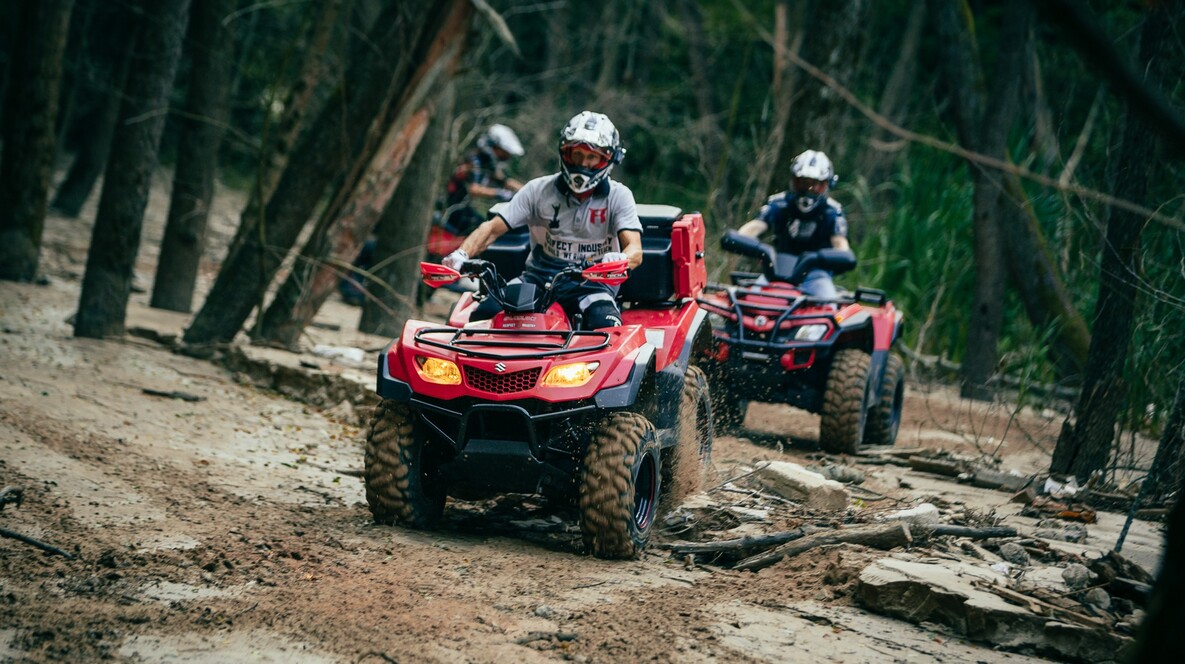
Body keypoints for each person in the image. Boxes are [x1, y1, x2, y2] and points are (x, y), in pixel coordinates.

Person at [442, 111, 642, 329]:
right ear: (564, 153)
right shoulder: (538, 190)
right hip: (537, 281)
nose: (582, 164)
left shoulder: (619, 195)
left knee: (607, 327)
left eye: (592, 157)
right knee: (483, 315)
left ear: (607, 159)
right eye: (576, 155)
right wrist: (462, 253)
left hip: (593, 285)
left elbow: (635, 249)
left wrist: (619, 259)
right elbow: (491, 228)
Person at [737, 149, 850, 299]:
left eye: (816, 185)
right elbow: (756, 225)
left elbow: (840, 243)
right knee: (748, 302)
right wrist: (740, 239)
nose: (808, 190)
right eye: (802, 183)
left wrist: (841, 256)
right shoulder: (779, 203)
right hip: (776, 274)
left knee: (828, 307)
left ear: (827, 185)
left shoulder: (832, 211)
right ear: (793, 182)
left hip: (816, 276)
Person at [439, 123, 526, 236]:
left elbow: (505, 181)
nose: (506, 157)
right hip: (452, 209)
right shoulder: (475, 160)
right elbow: (474, 189)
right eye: (504, 152)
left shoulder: (487, 163)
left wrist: (528, 191)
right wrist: (500, 193)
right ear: (495, 147)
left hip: (463, 209)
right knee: (489, 230)